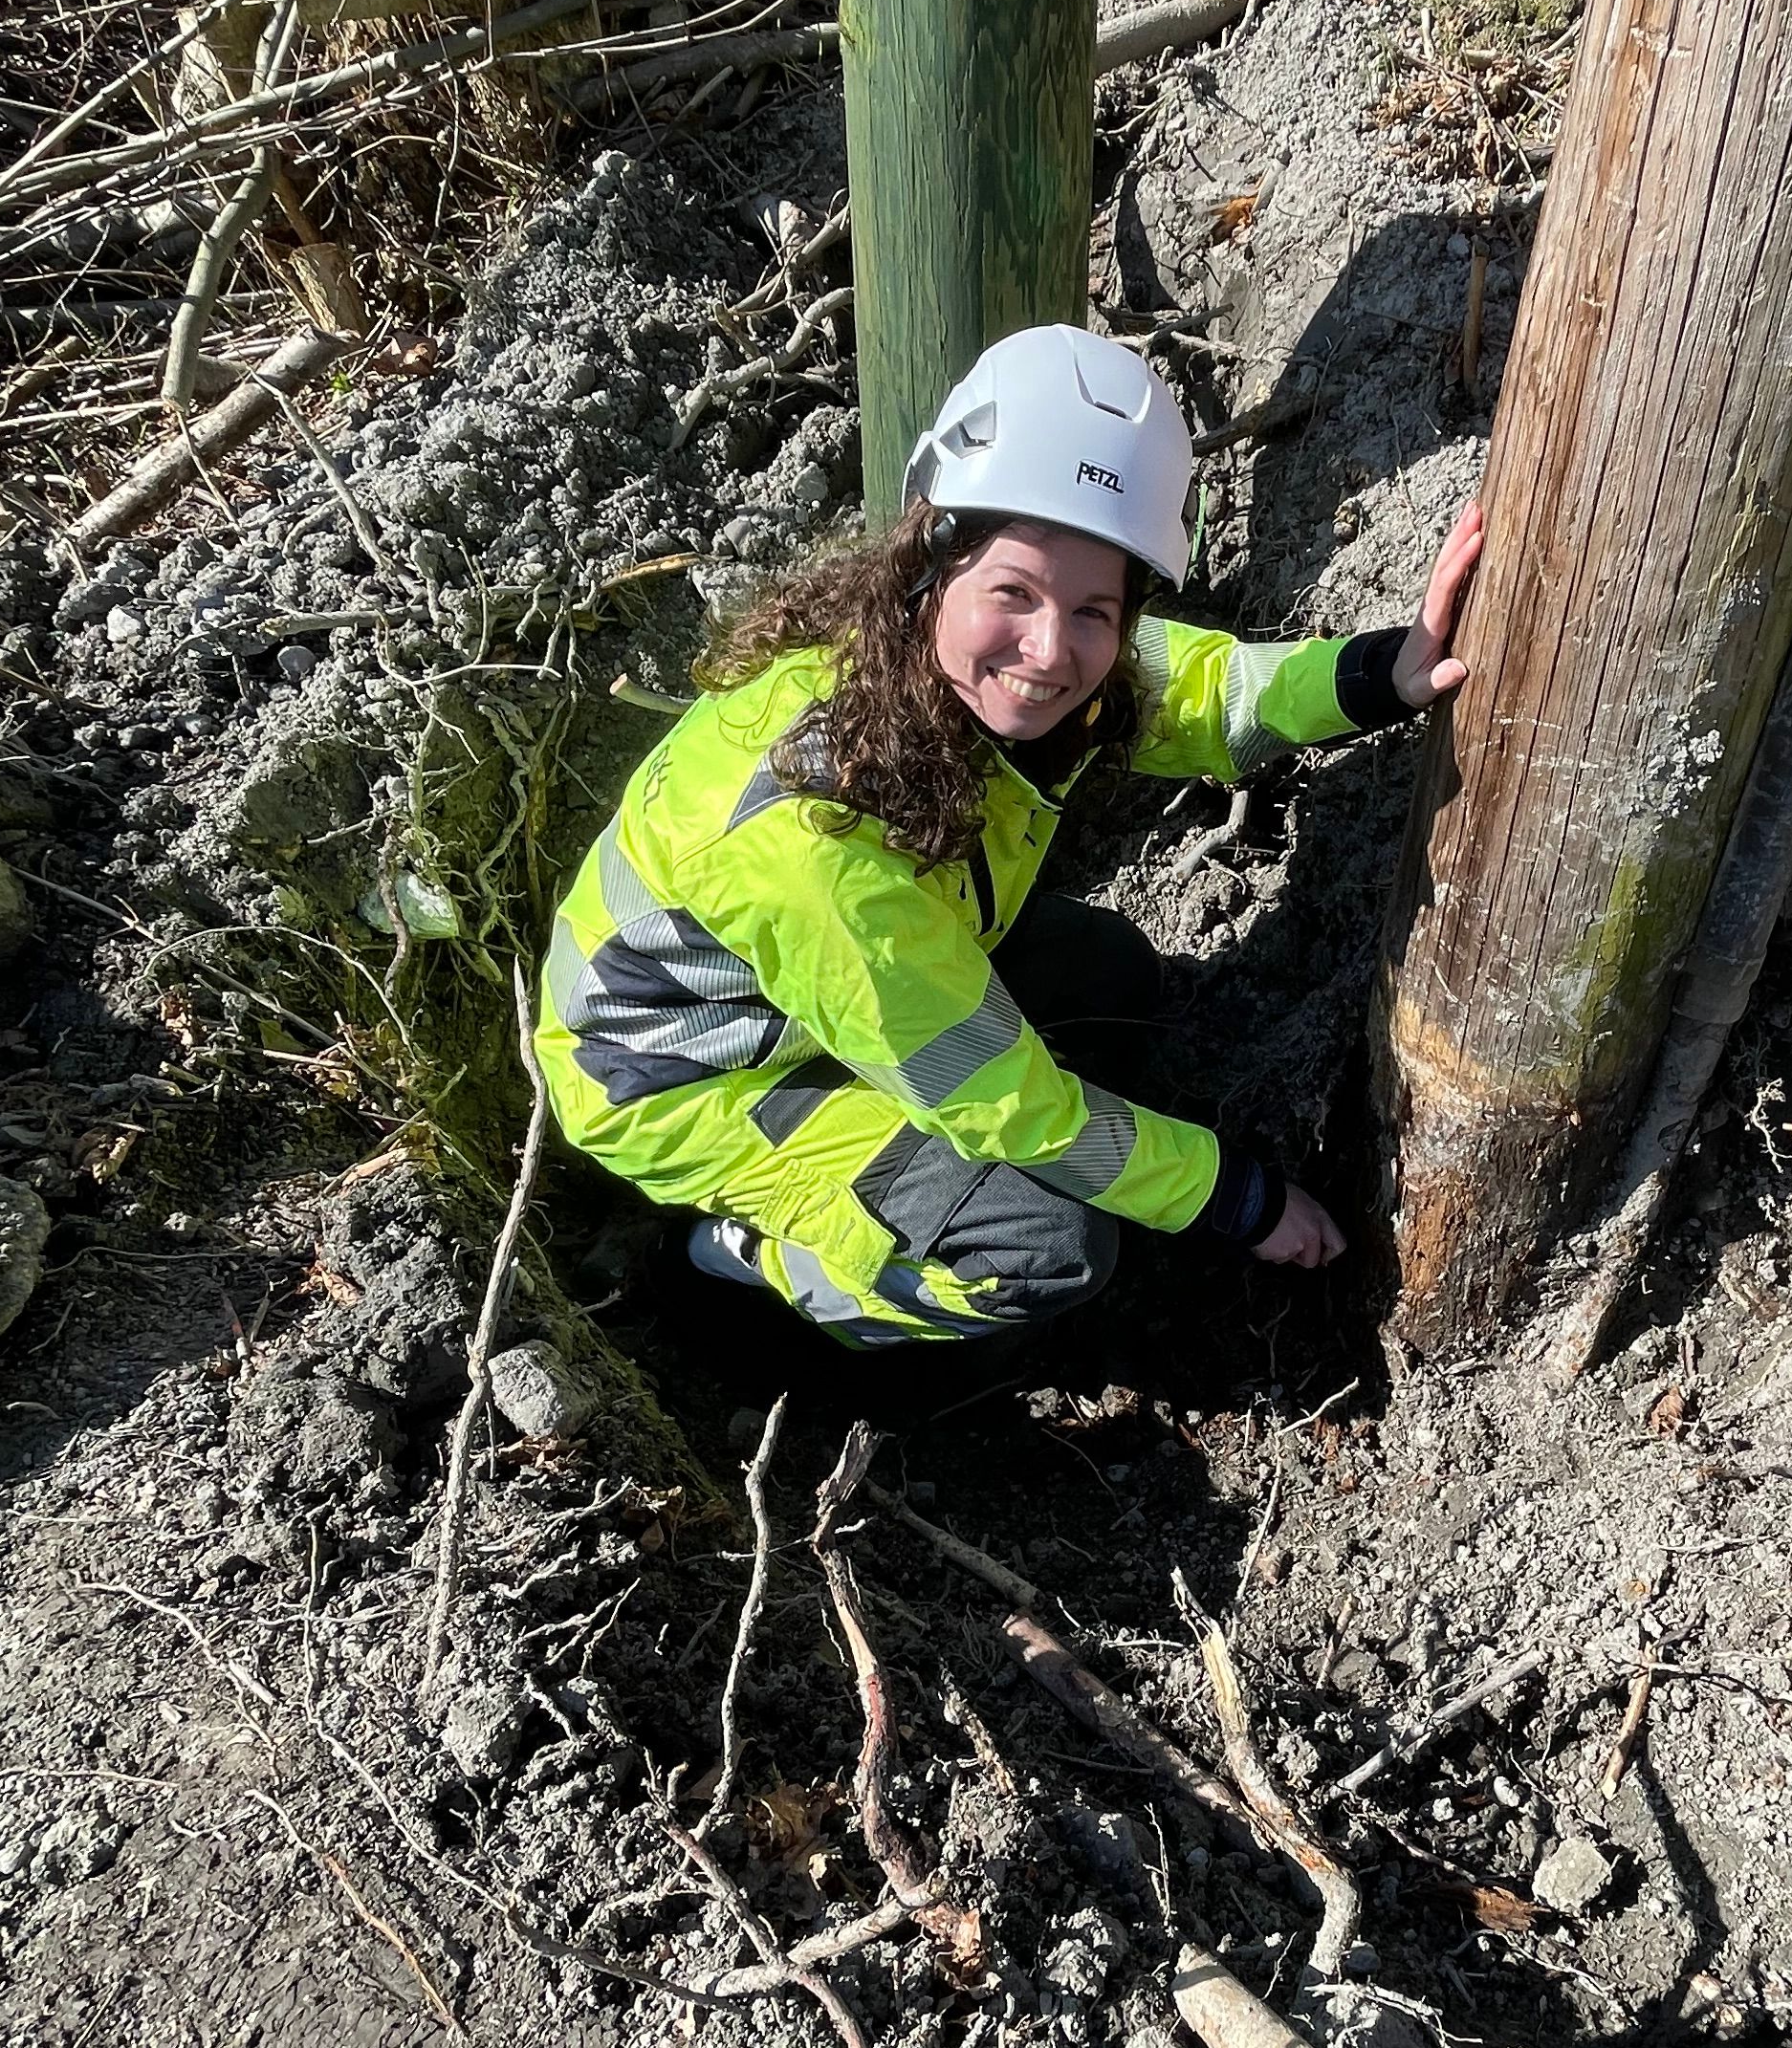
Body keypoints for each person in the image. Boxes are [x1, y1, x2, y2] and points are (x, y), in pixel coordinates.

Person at [535, 322, 1483, 1347]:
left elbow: (1197, 690)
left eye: (1092, 612)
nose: (1048, 652)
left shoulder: (955, 662)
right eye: (1015, 596)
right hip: (688, 1079)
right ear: (935, 560)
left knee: (1114, 980)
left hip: (827, 987)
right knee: (1046, 1247)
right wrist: (1240, 1201)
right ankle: (739, 1262)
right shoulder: (814, 847)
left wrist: (1383, 672)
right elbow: (1011, 1108)